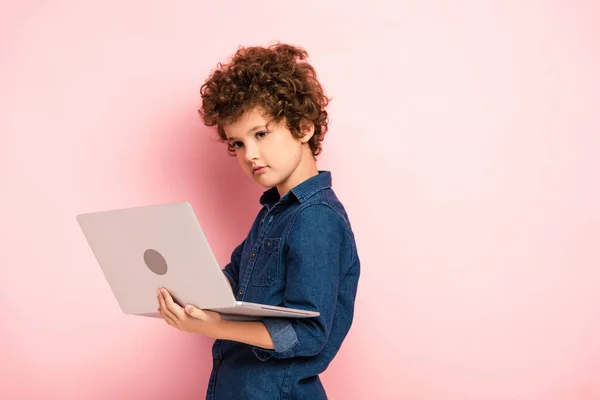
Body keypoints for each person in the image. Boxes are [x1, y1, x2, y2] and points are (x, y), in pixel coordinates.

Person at [156, 42, 360, 400]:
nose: (249, 154)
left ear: (304, 127)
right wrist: (179, 289)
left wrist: (217, 325)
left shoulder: (316, 220)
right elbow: (231, 282)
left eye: (261, 134)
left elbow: (309, 334)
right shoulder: (273, 214)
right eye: (237, 143)